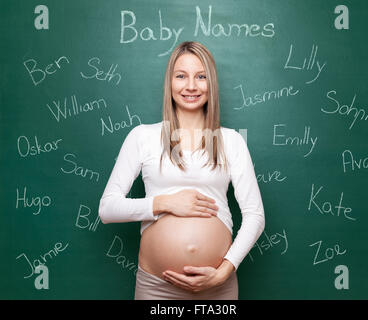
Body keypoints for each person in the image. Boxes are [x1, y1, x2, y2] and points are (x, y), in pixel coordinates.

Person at [98, 41, 265, 300]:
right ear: (170, 82)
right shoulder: (143, 136)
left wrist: (223, 272)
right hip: (156, 289)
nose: (191, 86)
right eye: (181, 76)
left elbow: (255, 216)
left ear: (211, 83)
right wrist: (165, 203)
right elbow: (108, 209)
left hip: (218, 287)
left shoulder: (231, 140)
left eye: (201, 77)